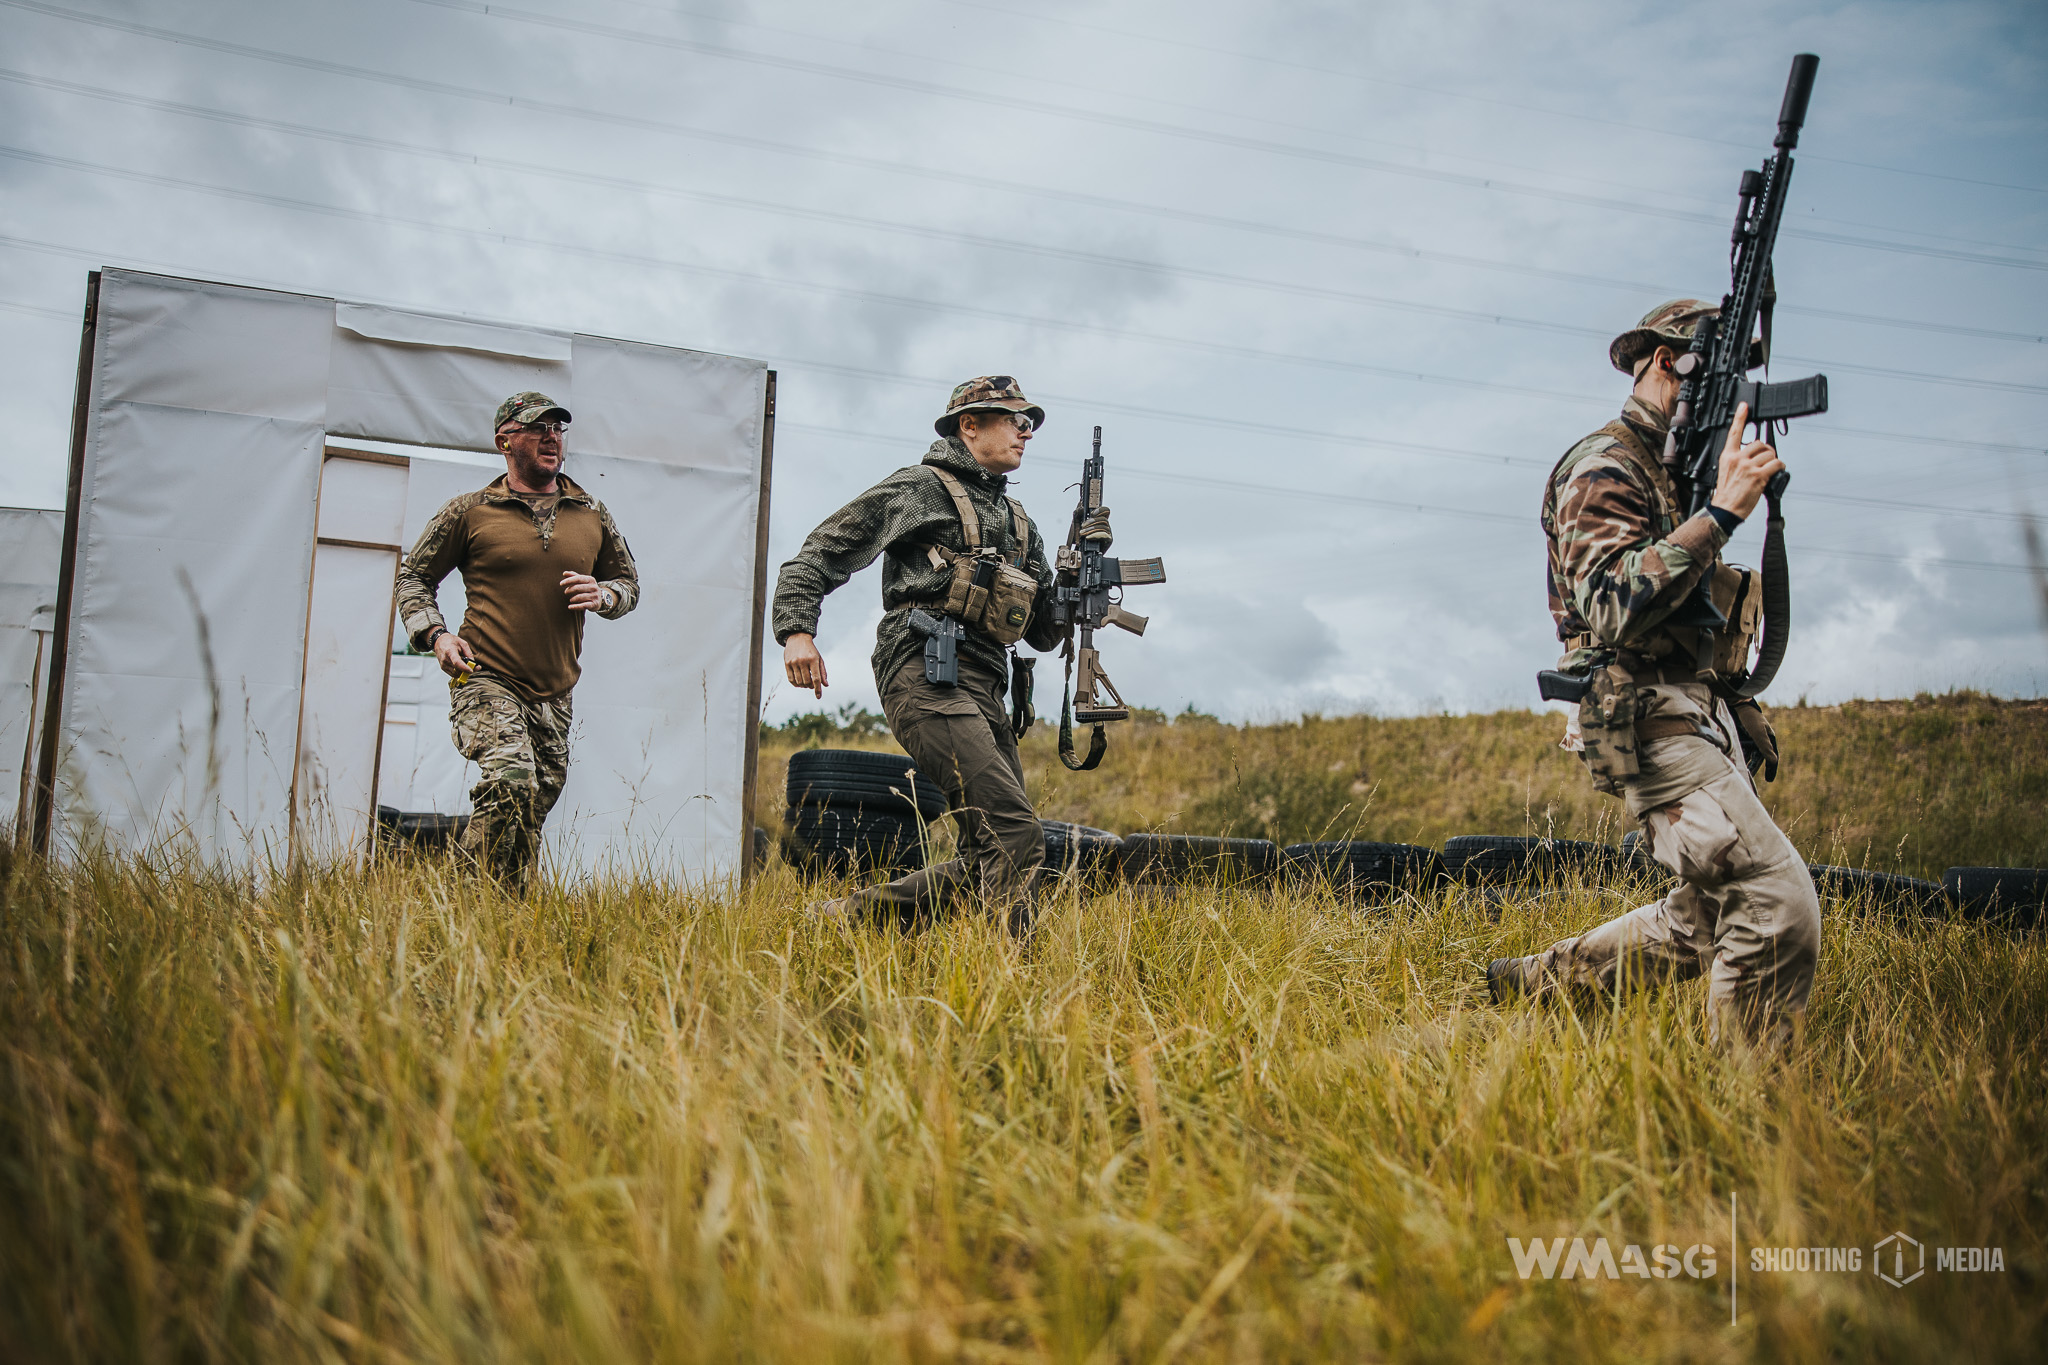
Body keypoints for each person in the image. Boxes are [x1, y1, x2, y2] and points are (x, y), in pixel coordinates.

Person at [1488, 301, 1821, 1049]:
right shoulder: (1603, 466)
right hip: (1640, 714)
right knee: (1775, 904)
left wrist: (1736, 700)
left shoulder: (1677, 473)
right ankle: (1753, 1120)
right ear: (1672, 365)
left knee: (1706, 915)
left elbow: (1689, 608)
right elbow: (1608, 606)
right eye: (1727, 378)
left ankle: (1539, 989)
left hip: (1696, 711)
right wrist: (1723, 515)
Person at [773, 376, 1075, 935]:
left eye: (1028, 423)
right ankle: (1017, 983)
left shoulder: (1022, 524)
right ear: (969, 425)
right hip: (925, 671)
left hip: (987, 684)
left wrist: (1076, 590)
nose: (1025, 432)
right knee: (1014, 832)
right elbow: (817, 555)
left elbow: (1040, 635)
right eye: (1013, 419)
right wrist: (796, 631)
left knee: (989, 847)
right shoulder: (919, 488)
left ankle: (835, 923)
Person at [394, 391, 639, 891]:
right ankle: (457, 904)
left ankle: (502, 911)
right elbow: (413, 577)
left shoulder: (591, 511)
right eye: (537, 427)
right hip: (485, 676)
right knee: (511, 782)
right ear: (505, 440)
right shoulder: (470, 512)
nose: (551, 436)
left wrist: (605, 593)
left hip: (555, 692)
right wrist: (435, 635)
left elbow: (629, 584)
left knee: (530, 807)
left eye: (557, 428)